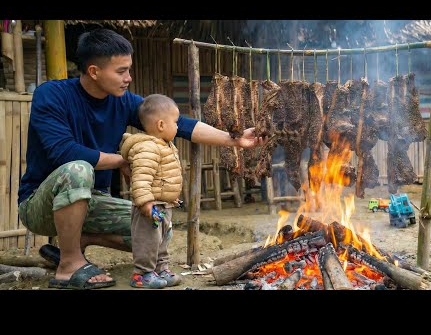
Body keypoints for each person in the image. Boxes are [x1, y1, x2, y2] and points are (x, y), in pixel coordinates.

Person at [18, 28, 264, 290]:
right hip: (40, 203)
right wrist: (123, 161)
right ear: (93, 71)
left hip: (92, 201)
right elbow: (64, 152)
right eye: (121, 71)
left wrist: (233, 139)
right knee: (78, 169)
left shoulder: (122, 101)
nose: (129, 78)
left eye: (129, 69)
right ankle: (69, 266)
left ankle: (80, 238)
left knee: (159, 223)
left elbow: (178, 124)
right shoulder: (52, 95)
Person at [120, 94, 183, 288]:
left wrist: (172, 197)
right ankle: (143, 273)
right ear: (162, 125)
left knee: (162, 238)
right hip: (151, 206)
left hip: (163, 204)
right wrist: (146, 203)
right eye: (176, 122)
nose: (178, 126)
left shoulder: (165, 146)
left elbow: (165, 176)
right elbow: (140, 179)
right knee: (148, 239)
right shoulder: (148, 148)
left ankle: (161, 268)